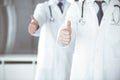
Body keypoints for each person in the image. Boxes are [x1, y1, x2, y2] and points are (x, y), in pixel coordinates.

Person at [58, 0, 120, 80]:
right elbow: (68, 27)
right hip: (82, 74)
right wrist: (63, 35)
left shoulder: (117, 7)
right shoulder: (77, 7)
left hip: (112, 74)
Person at [28, 0, 75, 80]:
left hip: (67, 60)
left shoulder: (73, 7)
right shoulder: (43, 7)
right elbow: (39, 17)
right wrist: (34, 25)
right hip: (48, 61)